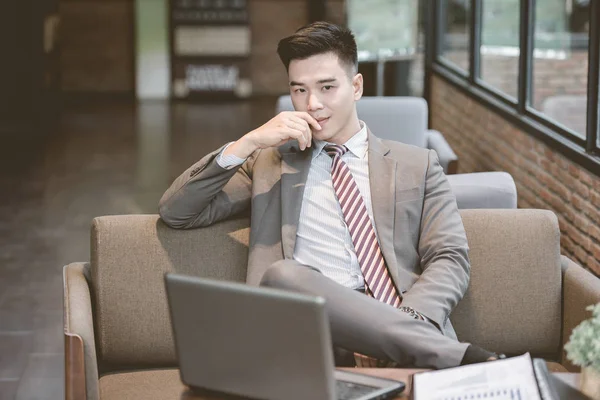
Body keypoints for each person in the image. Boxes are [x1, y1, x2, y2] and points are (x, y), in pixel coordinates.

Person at [159, 21, 501, 369]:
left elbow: (450, 256)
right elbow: (177, 211)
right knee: (284, 276)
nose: (313, 104)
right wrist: (247, 142)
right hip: (308, 335)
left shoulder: (417, 165)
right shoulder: (270, 163)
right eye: (299, 90)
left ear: (356, 86)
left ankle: (423, 346)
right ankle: (472, 362)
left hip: (405, 326)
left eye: (326, 87)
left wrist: (411, 320)